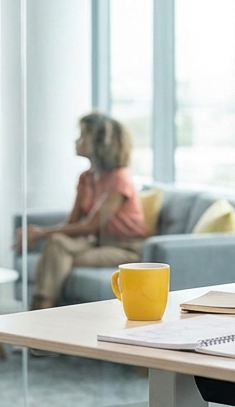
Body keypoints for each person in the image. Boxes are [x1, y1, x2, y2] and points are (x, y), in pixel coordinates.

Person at [15, 112, 148, 310]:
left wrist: (40, 233)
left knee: (57, 261)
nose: (77, 141)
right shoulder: (85, 178)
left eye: (83, 135)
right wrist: (41, 233)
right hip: (97, 242)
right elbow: (72, 224)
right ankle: (43, 309)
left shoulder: (119, 178)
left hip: (126, 248)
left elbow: (91, 225)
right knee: (56, 245)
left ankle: (40, 309)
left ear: (100, 143)